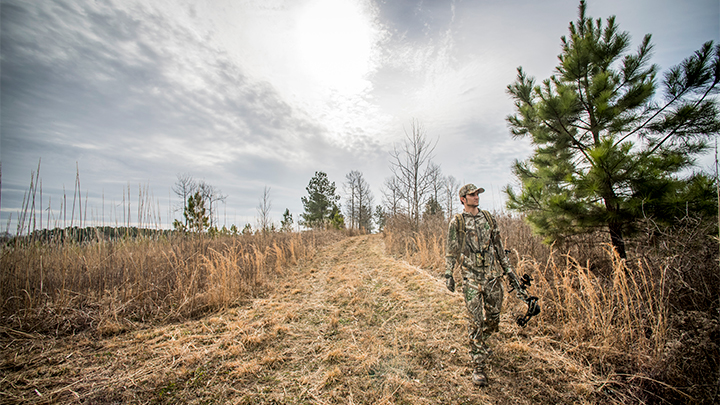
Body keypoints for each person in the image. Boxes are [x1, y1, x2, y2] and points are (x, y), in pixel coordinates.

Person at [444, 183, 528, 387]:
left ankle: (482, 341)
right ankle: (478, 366)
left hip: (492, 278)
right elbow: (451, 249)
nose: (476, 197)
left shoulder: (488, 218)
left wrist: (509, 272)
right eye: (472, 195)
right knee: (474, 321)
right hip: (471, 278)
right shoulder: (457, 222)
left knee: (494, 318)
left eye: (477, 194)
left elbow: (499, 248)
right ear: (463, 198)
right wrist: (449, 273)